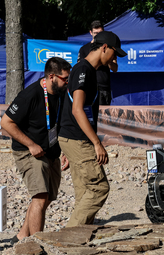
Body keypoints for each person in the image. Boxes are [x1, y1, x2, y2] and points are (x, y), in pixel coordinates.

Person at [58, 31, 127, 227]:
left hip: (73, 138)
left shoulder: (88, 70)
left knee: (84, 192)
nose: (114, 58)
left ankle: (80, 236)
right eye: (114, 53)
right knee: (99, 189)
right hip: (77, 138)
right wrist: (96, 143)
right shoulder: (83, 70)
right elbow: (78, 110)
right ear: (104, 47)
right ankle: (69, 237)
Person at [1, 57, 71, 245]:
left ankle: (23, 236)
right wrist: (31, 145)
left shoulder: (61, 93)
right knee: (40, 197)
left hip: (50, 151)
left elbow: (60, 124)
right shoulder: (30, 95)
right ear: (51, 76)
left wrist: (65, 150)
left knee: (47, 198)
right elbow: (6, 123)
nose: (67, 82)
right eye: (64, 78)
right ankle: (36, 246)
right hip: (28, 151)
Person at [77, 20, 118, 105]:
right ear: (90, 32)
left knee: (104, 117)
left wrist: (108, 59)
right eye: (96, 33)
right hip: (89, 87)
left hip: (104, 88)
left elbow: (115, 69)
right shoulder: (84, 49)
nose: (98, 35)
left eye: (100, 33)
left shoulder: (109, 48)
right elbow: (80, 68)